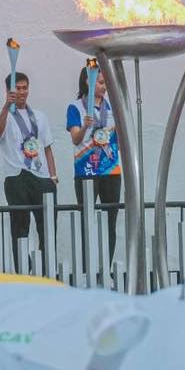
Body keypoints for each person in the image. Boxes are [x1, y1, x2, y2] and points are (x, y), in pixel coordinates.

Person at [0, 72, 59, 274]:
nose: (22, 92)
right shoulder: (6, 116)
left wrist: (53, 176)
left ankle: (45, 270)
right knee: (20, 227)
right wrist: (6, 106)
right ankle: (23, 270)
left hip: (41, 176)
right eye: (17, 88)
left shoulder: (39, 116)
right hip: (17, 176)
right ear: (8, 91)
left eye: (24, 88)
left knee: (47, 228)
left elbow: (46, 147)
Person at [68, 65, 121, 260]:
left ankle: (106, 268)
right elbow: (75, 139)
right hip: (86, 170)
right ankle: (87, 269)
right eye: (100, 82)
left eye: (105, 82)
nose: (104, 86)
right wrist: (85, 127)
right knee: (87, 222)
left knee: (110, 222)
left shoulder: (113, 107)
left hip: (111, 171)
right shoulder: (76, 107)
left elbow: (120, 137)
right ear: (87, 82)